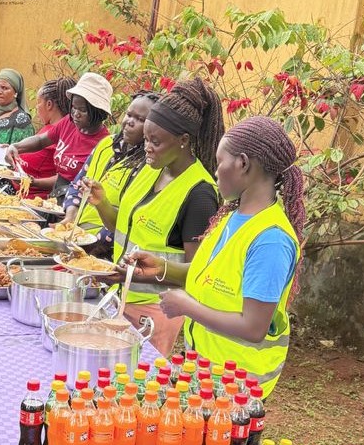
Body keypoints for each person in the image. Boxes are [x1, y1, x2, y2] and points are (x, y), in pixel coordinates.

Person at [126, 116, 304, 398]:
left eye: (220, 162)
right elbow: (207, 276)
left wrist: (186, 306)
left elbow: (253, 327)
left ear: (243, 164)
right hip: (207, 371)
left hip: (238, 385)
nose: (216, 172)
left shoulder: (271, 239)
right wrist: (161, 268)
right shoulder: (233, 217)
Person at [82, 78, 224, 355]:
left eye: (155, 142)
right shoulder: (149, 168)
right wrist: (102, 204)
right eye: (146, 139)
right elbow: (122, 226)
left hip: (154, 313)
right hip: (119, 299)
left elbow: (195, 275)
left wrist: (131, 277)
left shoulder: (199, 195)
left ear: (183, 141)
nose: (146, 147)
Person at [61, 91, 159, 258]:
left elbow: (127, 220)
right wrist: (70, 219)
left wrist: (89, 244)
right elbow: (77, 185)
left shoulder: (149, 166)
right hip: (74, 239)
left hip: (103, 253)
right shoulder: (106, 145)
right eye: (129, 114)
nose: (129, 122)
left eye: (140, 119)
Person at [5, 72, 113, 200]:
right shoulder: (69, 122)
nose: (76, 114)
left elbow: (79, 183)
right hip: (56, 198)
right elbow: (41, 140)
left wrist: (32, 181)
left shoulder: (104, 144)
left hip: (76, 203)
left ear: (98, 112)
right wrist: (16, 147)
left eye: (82, 110)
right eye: (74, 107)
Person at [13, 77, 76, 198]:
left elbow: (65, 177)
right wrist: (17, 148)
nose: (36, 107)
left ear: (49, 104)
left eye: (38, 102)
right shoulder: (49, 128)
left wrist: (32, 182)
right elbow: (39, 142)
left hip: (35, 199)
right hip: (20, 193)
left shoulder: (65, 131)